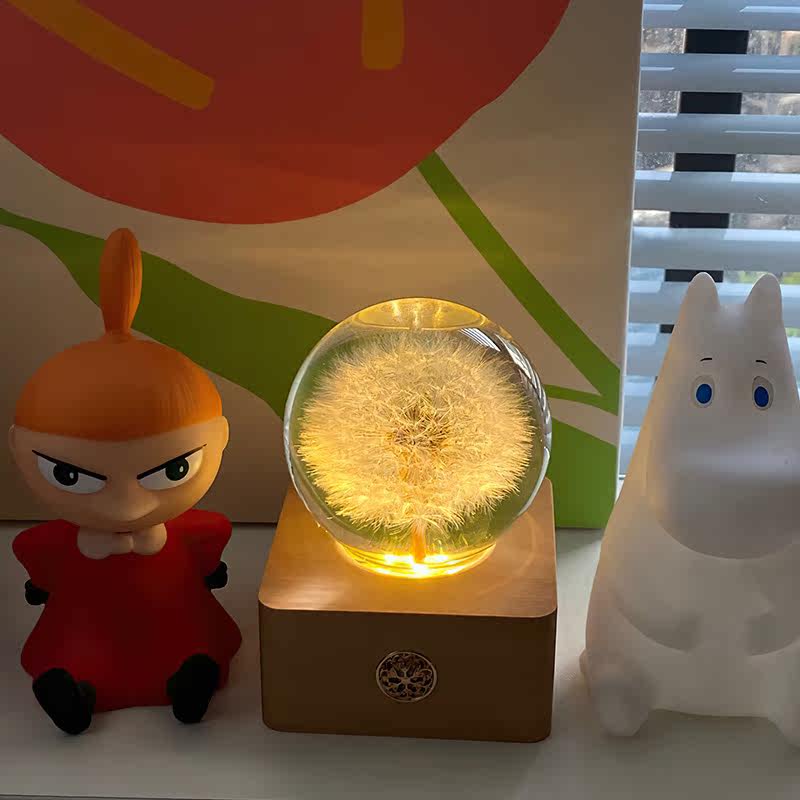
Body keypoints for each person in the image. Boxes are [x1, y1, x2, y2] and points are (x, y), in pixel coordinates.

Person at [9, 228, 242, 735]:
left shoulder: (192, 532)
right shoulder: (56, 543)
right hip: (83, 630)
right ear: (18, 449)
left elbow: (39, 574)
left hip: (177, 620)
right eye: (69, 475)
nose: (127, 507)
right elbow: (40, 567)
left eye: (173, 470)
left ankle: (189, 681)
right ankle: (73, 691)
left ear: (220, 439)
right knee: (79, 654)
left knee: (190, 643)